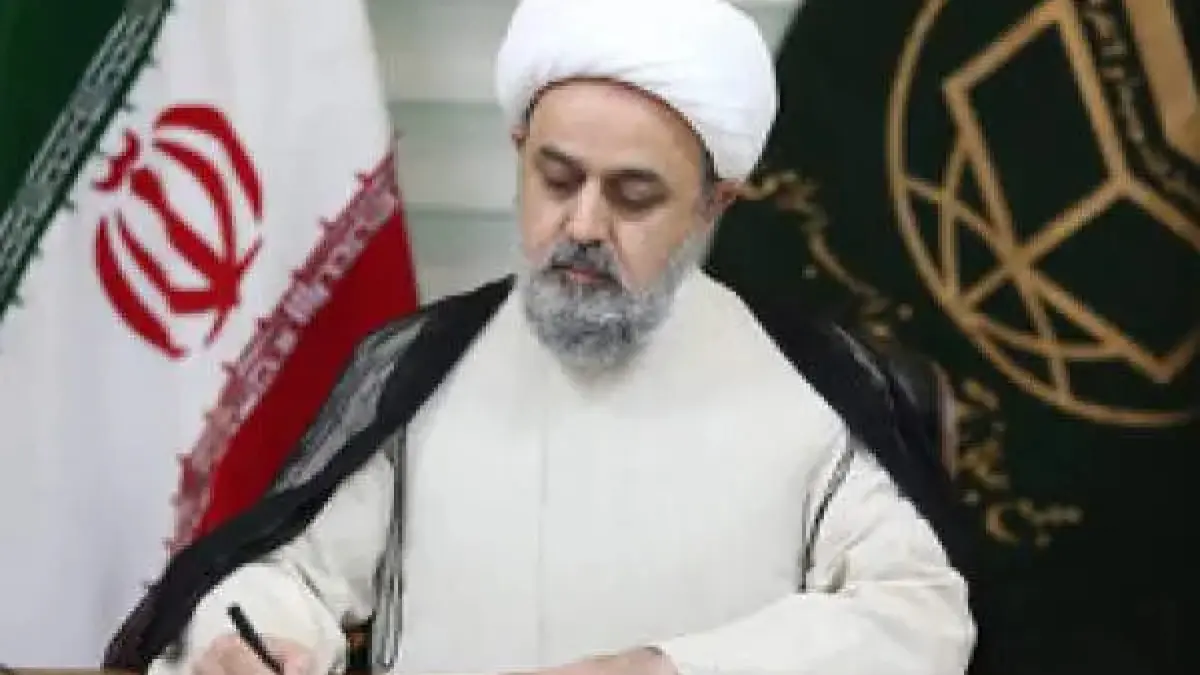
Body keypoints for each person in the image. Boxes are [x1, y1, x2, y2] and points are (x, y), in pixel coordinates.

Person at [105, 0, 979, 673]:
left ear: (714, 203)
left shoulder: (811, 383)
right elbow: (290, 574)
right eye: (557, 178)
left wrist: (670, 668)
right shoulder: (427, 364)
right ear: (519, 151)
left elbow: (920, 615)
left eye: (633, 195)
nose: (584, 224)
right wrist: (250, 641)